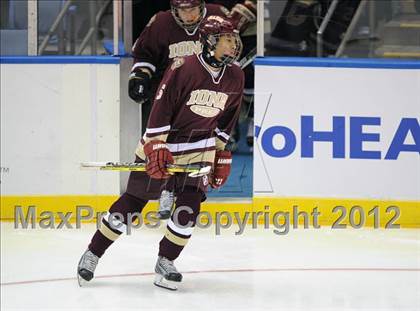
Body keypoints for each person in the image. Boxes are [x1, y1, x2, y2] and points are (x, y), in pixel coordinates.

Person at [77, 15, 244, 291]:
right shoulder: (184, 67)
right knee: (133, 202)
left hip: (198, 146)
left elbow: (228, 117)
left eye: (234, 40)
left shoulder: (236, 74)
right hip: (164, 139)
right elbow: (161, 105)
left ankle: (166, 260)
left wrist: (221, 155)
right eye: (227, 40)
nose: (233, 46)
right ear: (209, 41)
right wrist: (155, 145)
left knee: (190, 205)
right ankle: (93, 252)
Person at [128, 0, 229, 218]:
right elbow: (144, 54)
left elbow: (231, 48)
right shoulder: (161, 23)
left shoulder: (217, 17)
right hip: (166, 97)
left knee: (195, 144)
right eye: (183, 10)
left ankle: (184, 191)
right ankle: (164, 188)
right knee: (161, 145)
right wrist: (141, 75)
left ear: (201, 6)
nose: (189, 14)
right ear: (175, 10)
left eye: (192, 9)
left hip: (201, 98)